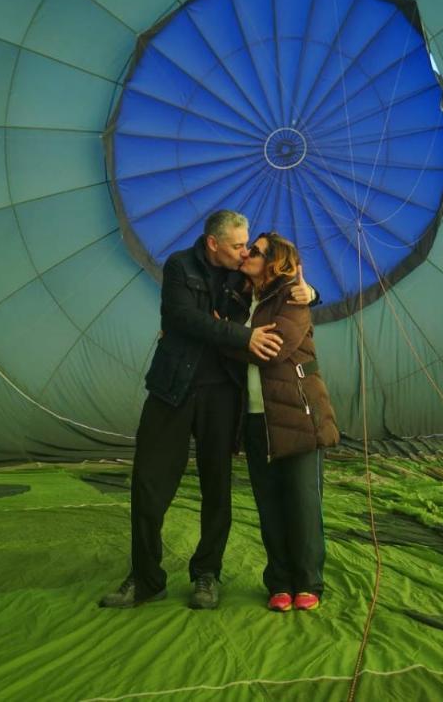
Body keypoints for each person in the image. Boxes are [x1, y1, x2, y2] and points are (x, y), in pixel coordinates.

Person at [100, 210, 315, 610]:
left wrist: (311, 292)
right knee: (148, 485)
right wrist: (240, 335)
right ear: (213, 244)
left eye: (248, 245)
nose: (245, 251)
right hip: (172, 390)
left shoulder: (244, 274)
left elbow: (283, 283)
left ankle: (207, 574)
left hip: (222, 395)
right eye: (237, 245)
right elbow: (182, 319)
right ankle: (146, 578)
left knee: (217, 489)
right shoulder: (180, 266)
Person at [229, 232, 339, 612]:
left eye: (255, 252)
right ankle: (279, 580)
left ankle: (308, 581)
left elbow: (274, 350)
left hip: (298, 414)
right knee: (268, 503)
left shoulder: (293, 297)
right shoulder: (241, 297)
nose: (246, 255)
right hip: (257, 418)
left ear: (273, 261)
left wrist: (225, 338)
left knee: (303, 502)